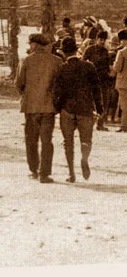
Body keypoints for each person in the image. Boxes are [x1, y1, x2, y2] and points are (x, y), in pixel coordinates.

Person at [53, 37, 102, 183]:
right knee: (86, 140)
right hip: (85, 109)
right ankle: (84, 158)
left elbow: (58, 92)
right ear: (77, 49)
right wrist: (99, 108)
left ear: (63, 52)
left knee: (68, 142)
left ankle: (71, 173)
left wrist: (57, 108)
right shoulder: (89, 67)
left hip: (67, 109)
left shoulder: (62, 68)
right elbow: (96, 89)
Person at [15, 33, 62, 182]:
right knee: (47, 140)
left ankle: (34, 170)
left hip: (30, 106)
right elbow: (60, 85)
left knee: (31, 139)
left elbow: (19, 83)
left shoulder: (26, 60)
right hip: (49, 107)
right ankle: (44, 173)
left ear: (34, 45)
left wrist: (27, 95)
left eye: (30, 44)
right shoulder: (57, 61)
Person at [82, 30, 113, 131]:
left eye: (104, 40)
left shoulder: (105, 51)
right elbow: (83, 62)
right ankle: (88, 124)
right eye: (100, 39)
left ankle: (100, 124)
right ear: (96, 40)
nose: (102, 42)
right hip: (91, 80)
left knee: (103, 101)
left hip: (103, 80)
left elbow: (109, 66)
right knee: (90, 101)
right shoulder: (89, 50)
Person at [111, 29, 127, 133]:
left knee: (124, 105)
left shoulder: (122, 52)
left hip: (123, 82)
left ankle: (124, 125)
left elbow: (117, 68)